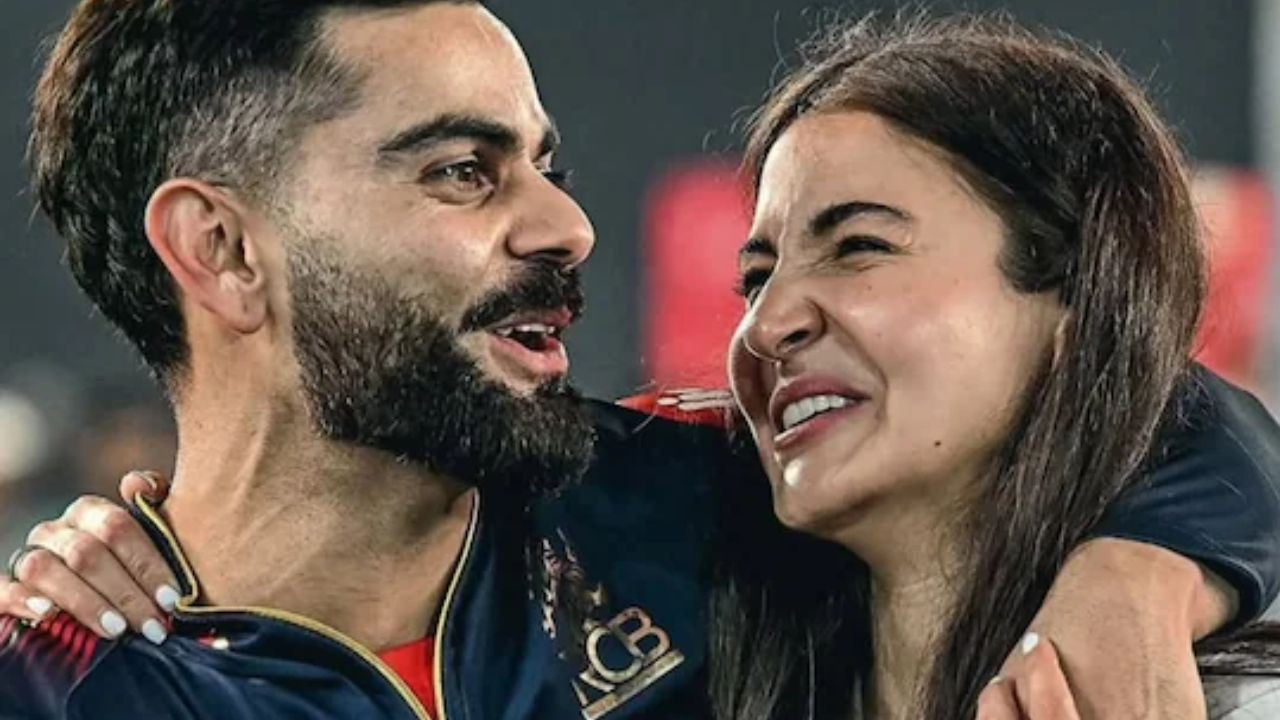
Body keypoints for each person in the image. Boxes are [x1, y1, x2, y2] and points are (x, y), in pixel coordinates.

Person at [2, 2, 1280, 719]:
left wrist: (1138, 575)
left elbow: (1113, 399)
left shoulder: (693, 505)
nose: (567, 226)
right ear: (222, 250)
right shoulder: (63, 686)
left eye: (544, 164)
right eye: (463, 171)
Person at [710, 13, 1280, 720]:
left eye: (860, 246)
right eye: (756, 279)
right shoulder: (679, 659)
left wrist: (1142, 570)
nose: (765, 325)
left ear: (1076, 308)